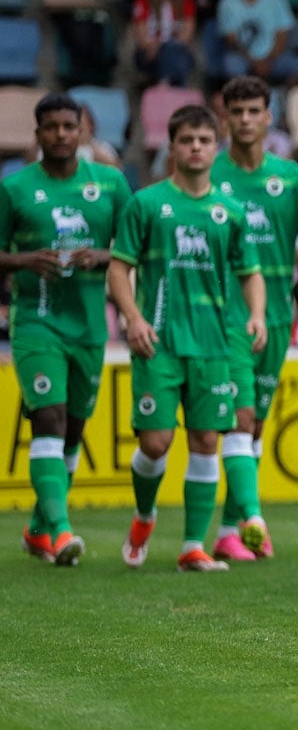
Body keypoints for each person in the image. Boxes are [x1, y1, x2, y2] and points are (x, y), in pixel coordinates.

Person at [109, 104, 269, 572]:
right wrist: (134, 317)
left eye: (204, 140)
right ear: (172, 148)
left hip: (214, 343)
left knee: (205, 441)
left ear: (214, 148)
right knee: (156, 443)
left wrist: (256, 314)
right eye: (187, 140)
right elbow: (120, 268)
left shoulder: (230, 211)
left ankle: (192, 547)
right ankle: (143, 516)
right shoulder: (147, 203)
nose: (196, 148)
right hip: (158, 341)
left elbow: (251, 272)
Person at [0, 94, 130, 567]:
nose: (60, 134)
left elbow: (139, 247)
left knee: (72, 430)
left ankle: (38, 528)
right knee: (49, 419)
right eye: (50, 127)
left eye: (68, 126)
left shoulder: (112, 184)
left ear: (82, 132)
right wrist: (22, 260)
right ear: (37, 135)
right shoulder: (14, 190)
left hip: (91, 326)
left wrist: (102, 256)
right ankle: (59, 530)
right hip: (36, 322)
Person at [209, 76, 298, 562]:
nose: (247, 120)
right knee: (240, 418)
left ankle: (228, 529)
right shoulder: (206, 176)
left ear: (269, 116)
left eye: (255, 111)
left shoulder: (291, 179)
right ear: (225, 117)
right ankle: (252, 521)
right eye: (238, 112)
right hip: (222, 318)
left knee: (252, 430)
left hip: (275, 318)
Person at [132, 0, 197, 86]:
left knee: (173, 51)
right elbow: (142, 39)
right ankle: (174, 91)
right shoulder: (143, 2)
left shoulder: (186, 2)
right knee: (177, 58)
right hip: (149, 54)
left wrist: (161, 45)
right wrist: (156, 46)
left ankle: (164, 84)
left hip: (175, 50)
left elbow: (186, 36)